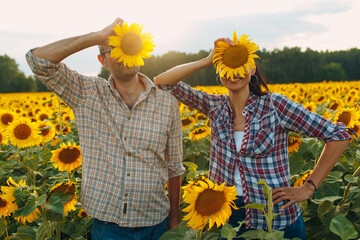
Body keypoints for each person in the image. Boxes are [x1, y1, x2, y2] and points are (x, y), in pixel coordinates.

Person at [154, 37, 354, 240]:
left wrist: (309, 187)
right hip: (227, 220)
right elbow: (163, 83)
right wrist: (207, 59)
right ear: (219, 72)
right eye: (227, 66)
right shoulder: (214, 107)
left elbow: (339, 135)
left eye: (241, 65)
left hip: (276, 220)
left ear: (252, 70)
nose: (234, 73)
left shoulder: (274, 106)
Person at [26, 18, 185, 240]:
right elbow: (37, 61)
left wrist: (174, 218)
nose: (126, 54)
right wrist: (97, 37)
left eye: (130, 46)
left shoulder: (167, 103)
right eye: (117, 49)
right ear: (102, 60)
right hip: (110, 227)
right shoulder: (87, 93)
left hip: (156, 223)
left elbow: (174, 166)